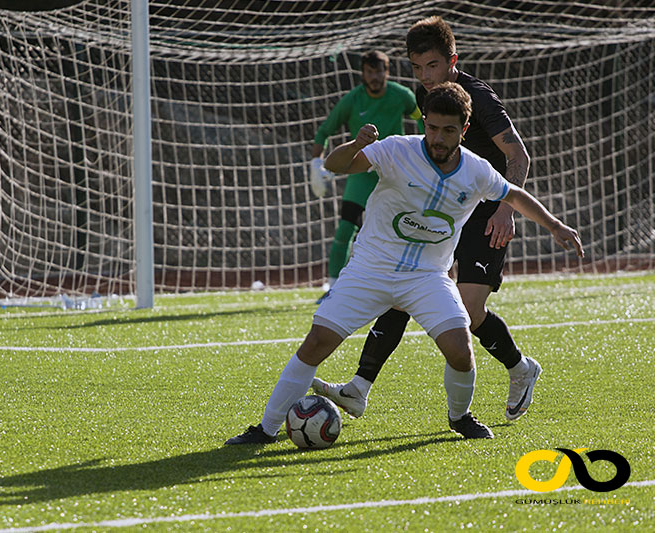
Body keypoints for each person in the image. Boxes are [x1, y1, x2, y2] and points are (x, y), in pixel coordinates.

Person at [226, 82, 583, 444]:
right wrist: (356, 144)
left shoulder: (476, 170)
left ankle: (460, 418)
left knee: (461, 350)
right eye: (432, 127)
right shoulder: (397, 149)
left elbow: (515, 195)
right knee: (317, 341)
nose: (438, 138)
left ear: (464, 130)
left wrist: (555, 225)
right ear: (423, 122)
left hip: (427, 277)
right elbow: (335, 166)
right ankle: (265, 429)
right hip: (371, 268)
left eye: (448, 130)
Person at [313, 16, 540, 422]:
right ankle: (359, 388)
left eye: (432, 66)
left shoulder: (479, 99)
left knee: (470, 312)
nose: (425, 77)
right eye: (417, 68)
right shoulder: (425, 94)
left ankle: (521, 368)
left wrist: (507, 208)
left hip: (487, 210)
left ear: (452, 60)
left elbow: (518, 155)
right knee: (403, 284)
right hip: (446, 209)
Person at [309, 50, 422, 303]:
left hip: (394, 175)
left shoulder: (402, 96)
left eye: (379, 71)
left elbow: (423, 119)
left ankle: (408, 282)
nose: (375, 77)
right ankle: (334, 287)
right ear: (363, 73)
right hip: (361, 175)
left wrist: (425, 153)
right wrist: (316, 164)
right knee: (345, 229)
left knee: (402, 229)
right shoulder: (352, 100)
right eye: (370, 72)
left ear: (387, 72)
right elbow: (324, 131)